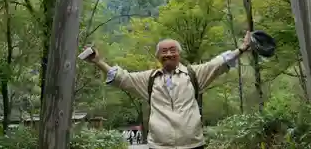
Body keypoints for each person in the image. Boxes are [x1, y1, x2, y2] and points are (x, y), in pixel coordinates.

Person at [82, 31, 252, 149]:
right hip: (159, 146)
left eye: (173, 50)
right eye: (164, 51)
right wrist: (98, 61)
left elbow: (219, 62)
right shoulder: (149, 79)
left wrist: (242, 49)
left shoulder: (193, 74)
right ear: (158, 57)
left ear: (179, 54)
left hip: (193, 144)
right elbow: (122, 78)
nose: (169, 54)